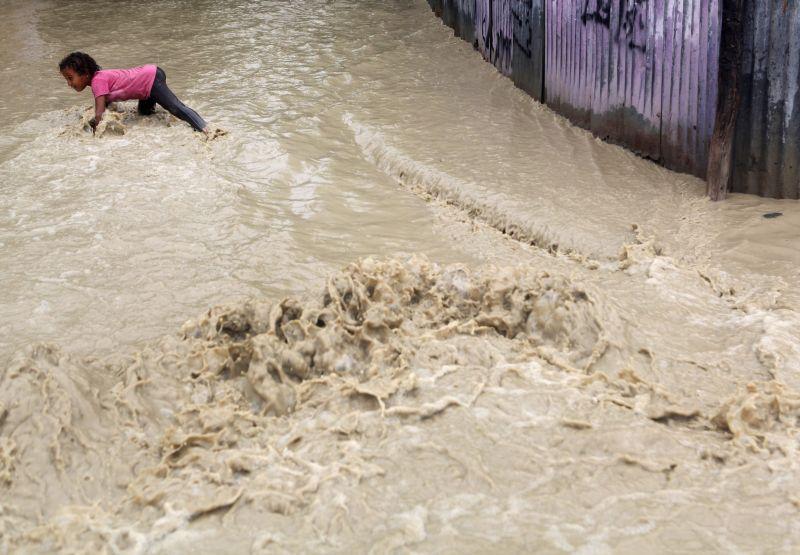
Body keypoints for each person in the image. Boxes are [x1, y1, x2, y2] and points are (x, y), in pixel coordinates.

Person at [58, 52, 210, 134]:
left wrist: (92, 130)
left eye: (71, 78)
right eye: (66, 79)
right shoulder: (100, 79)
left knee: (175, 108)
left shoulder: (98, 82)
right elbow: (105, 105)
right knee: (144, 113)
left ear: (85, 74)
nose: (69, 84)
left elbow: (100, 114)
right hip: (146, 85)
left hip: (151, 79)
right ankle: (159, 113)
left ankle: (205, 129)